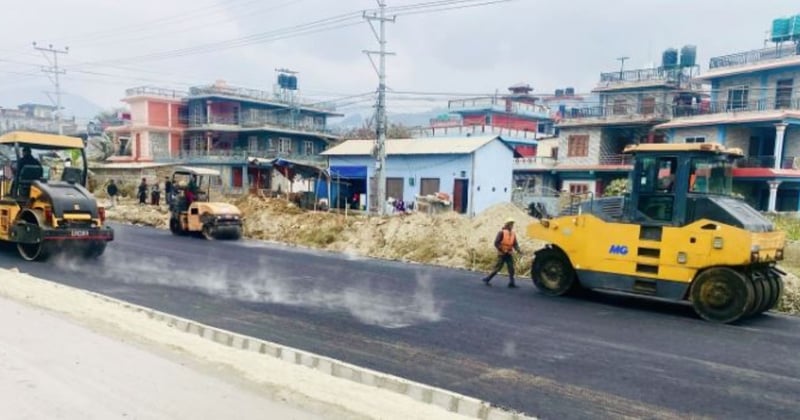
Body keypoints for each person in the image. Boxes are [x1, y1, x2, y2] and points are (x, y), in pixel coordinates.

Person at [481, 218, 522, 288]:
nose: (512, 225)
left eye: (512, 224)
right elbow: (496, 243)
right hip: (502, 254)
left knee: (511, 268)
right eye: (511, 224)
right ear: (507, 224)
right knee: (497, 268)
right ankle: (487, 279)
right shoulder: (501, 232)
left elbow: (515, 244)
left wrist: (518, 250)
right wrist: (502, 250)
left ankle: (511, 283)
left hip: (509, 253)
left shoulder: (513, 234)